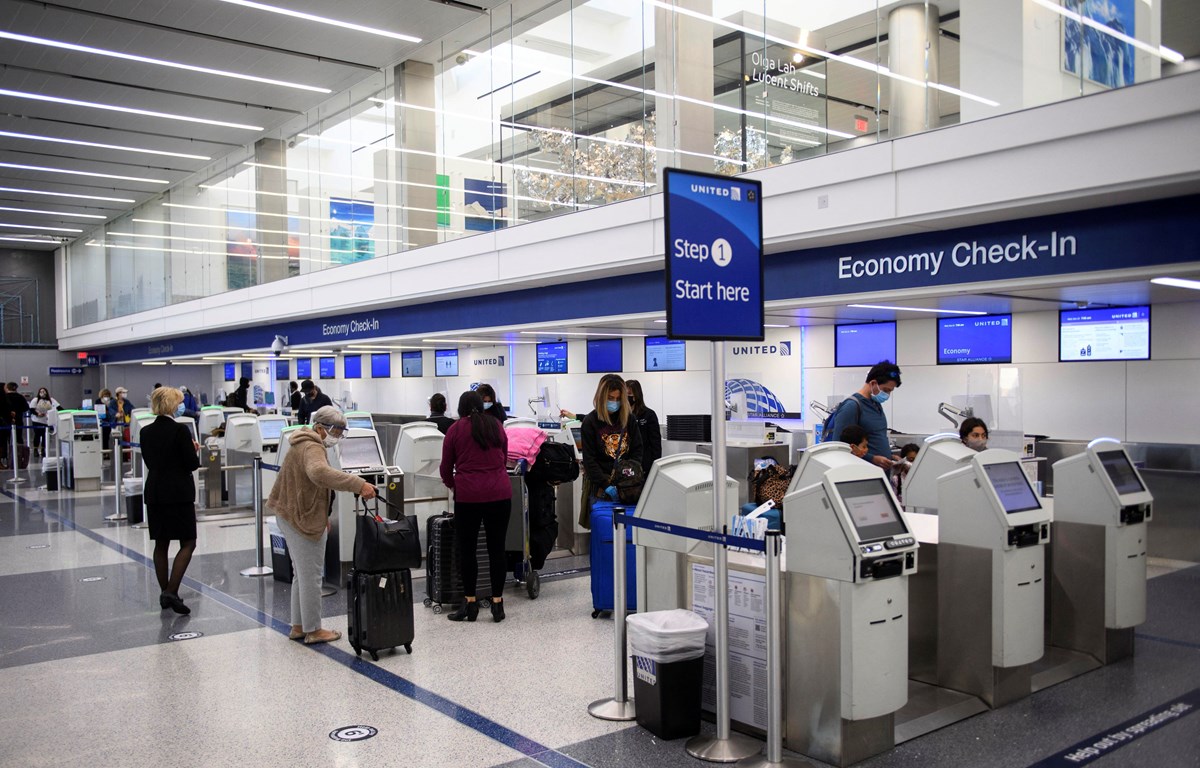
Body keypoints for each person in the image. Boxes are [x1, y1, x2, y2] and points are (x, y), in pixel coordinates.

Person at [267, 406, 376, 644]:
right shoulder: (313, 445)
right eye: (334, 431)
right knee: (312, 577)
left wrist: (322, 514)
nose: (336, 436)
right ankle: (314, 630)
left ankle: (299, 626)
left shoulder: (301, 442)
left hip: (291, 513)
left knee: (301, 574)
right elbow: (318, 473)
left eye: (340, 432)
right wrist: (358, 484)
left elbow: (307, 484)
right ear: (319, 428)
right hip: (300, 518)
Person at [439, 391, 512, 623]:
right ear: (483, 406)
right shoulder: (496, 425)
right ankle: (497, 605)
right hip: (500, 494)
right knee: (497, 550)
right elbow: (503, 457)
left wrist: (455, 486)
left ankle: (470, 605)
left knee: (468, 551)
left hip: (468, 497)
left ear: (460, 408)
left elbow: (445, 467)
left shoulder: (455, 429)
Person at [139, 387, 201, 615]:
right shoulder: (180, 430)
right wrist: (193, 450)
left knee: (161, 542)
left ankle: (165, 592)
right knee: (188, 541)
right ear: (172, 405)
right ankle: (171, 591)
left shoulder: (145, 432)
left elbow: (151, 461)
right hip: (179, 493)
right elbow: (191, 464)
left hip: (155, 491)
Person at [579, 374, 642, 528]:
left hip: (627, 487)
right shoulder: (590, 422)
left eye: (618, 398)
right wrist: (605, 484)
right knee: (603, 529)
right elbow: (589, 459)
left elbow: (637, 451)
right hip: (600, 487)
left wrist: (629, 478)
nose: (614, 402)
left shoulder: (629, 419)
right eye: (610, 398)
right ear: (601, 397)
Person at [829, 360, 902, 471]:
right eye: (886, 390)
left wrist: (890, 456)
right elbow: (840, 446)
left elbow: (875, 437)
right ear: (873, 383)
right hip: (863, 473)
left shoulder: (875, 404)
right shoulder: (851, 406)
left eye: (890, 391)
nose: (887, 395)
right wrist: (872, 459)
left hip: (880, 473)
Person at [625, 379, 661, 476]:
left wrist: (654, 468)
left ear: (636, 396)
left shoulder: (649, 415)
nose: (626, 397)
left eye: (629, 394)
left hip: (644, 464)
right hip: (625, 464)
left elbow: (656, 444)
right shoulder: (622, 416)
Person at [29, 387, 59, 457]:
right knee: (37, 435)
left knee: (45, 436)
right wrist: (37, 414)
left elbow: (58, 407)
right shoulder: (35, 400)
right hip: (37, 420)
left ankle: (43, 449)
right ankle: (35, 449)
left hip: (46, 421)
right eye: (41, 391)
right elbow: (31, 409)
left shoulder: (51, 400)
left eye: (44, 391)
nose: (42, 393)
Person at [5, 382, 30, 449]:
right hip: (18, 419)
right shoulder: (20, 397)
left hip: (6, 420)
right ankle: (20, 453)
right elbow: (26, 408)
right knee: (19, 437)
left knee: (6, 437)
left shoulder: (5, 397)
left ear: (7, 388)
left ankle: (7, 454)